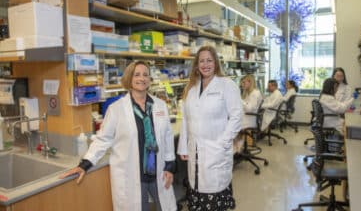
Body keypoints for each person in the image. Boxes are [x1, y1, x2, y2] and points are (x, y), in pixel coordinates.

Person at [60, 61, 177, 211]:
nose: (142, 78)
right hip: (132, 176)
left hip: (158, 173)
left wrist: (169, 166)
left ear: (149, 79)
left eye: (145, 75)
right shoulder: (116, 109)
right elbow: (103, 139)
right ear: (129, 78)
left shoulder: (160, 105)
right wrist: (85, 164)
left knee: (167, 208)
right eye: (137, 74)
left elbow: (167, 136)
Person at [177, 46, 242, 211]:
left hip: (216, 151)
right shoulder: (191, 88)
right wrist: (183, 146)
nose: (205, 64)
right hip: (195, 151)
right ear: (196, 65)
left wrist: (222, 143)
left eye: (209, 60)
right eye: (201, 61)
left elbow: (236, 117)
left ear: (216, 63)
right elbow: (186, 119)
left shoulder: (226, 85)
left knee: (213, 199)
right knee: (197, 191)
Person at [234, 75, 263, 153]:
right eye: (241, 83)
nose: (242, 84)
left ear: (250, 82)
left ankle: (236, 150)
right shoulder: (248, 93)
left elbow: (249, 108)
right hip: (247, 117)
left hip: (250, 120)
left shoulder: (255, 93)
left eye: (244, 82)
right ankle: (237, 149)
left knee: (231, 127)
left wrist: (239, 100)